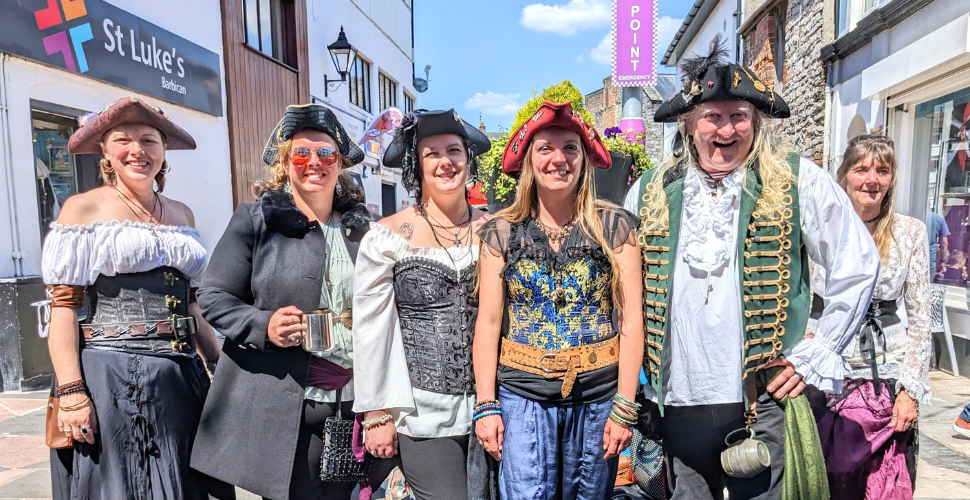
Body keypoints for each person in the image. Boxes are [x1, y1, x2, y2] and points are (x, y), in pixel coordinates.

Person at [623, 36, 879, 500]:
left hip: (763, 400)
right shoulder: (648, 190)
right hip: (678, 401)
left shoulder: (797, 178)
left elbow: (857, 263)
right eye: (712, 117)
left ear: (756, 122)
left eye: (739, 116)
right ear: (688, 123)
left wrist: (816, 351)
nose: (726, 130)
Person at [41, 97, 227, 499]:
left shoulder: (182, 213)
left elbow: (192, 305)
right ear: (105, 151)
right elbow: (63, 309)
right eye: (123, 140)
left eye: (149, 140)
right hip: (112, 376)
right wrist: (72, 393)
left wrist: (217, 365)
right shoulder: (82, 210)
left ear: (163, 152)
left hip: (180, 375)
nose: (137, 150)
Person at [190, 104, 374, 500]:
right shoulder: (255, 221)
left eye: (326, 154)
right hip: (285, 406)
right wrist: (264, 326)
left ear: (339, 163)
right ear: (286, 163)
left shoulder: (363, 230)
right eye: (301, 153)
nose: (314, 163)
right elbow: (213, 295)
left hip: (355, 406)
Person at [474, 100, 645, 499]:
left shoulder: (615, 227)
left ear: (584, 160)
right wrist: (486, 405)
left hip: (598, 399)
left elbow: (631, 320)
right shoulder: (501, 233)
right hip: (521, 399)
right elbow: (487, 324)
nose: (558, 159)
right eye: (545, 149)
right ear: (529, 161)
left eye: (570, 147)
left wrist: (624, 407)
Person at [352, 108, 493, 499]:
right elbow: (372, 327)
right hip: (421, 414)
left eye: (454, 150)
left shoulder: (497, 230)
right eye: (433, 154)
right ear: (417, 165)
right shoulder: (386, 237)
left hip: (495, 407)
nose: (446, 162)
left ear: (468, 159)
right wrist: (377, 413)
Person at [806, 135, 931, 499]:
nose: (871, 179)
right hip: (822, 372)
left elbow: (921, 320)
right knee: (822, 480)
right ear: (844, 175)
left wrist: (911, 390)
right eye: (861, 169)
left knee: (881, 484)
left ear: (891, 179)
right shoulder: (815, 228)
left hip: (884, 378)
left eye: (882, 170)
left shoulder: (910, 233)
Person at [926, 208, 949, 279]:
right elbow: (944, 243)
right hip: (929, 260)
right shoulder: (938, 218)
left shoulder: (910, 216)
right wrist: (942, 261)